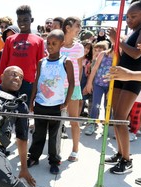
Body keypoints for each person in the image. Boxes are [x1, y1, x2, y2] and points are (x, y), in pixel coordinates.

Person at [105, 0, 141, 174]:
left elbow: (137, 54)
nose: (129, 20)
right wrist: (118, 44)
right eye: (127, 17)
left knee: (122, 118)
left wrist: (117, 41)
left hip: (133, 76)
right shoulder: (133, 32)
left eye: (133, 16)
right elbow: (126, 53)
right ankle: (120, 152)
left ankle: (127, 160)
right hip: (121, 75)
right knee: (116, 117)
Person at [27, 29, 74, 174]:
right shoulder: (42, 62)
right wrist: (32, 100)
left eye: (54, 43)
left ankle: (54, 161)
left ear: (62, 44)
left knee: (54, 136)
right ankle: (34, 156)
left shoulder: (66, 62)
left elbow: (72, 83)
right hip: (41, 103)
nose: (50, 46)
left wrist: (66, 102)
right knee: (38, 133)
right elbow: (36, 82)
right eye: (48, 43)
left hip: (56, 106)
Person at [0, 5, 45, 106]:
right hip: (9, 81)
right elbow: (3, 62)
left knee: (23, 113)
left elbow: (41, 66)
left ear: (31, 20)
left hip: (28, 84)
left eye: (25, 20)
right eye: (19, 20)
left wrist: (39, 87)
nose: (22, 23)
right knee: (5, 111)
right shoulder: (10, 40)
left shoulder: (39, 41)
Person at [60, 16, 84, 162]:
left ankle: (75, 150)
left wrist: (77, 85)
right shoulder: (57, 44)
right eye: (77, 25)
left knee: (74, 120)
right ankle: (54, 150)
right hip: (57, 87)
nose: (79, 29)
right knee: (56, 121)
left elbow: (80, 67)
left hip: (72, 88)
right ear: (68, 27)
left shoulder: (79, 47)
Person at [83, 42, 113, 136]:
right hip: (98, 84)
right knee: (95, 104)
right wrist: (89, 83)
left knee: (108, 106)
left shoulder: (119, 57)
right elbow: (95, 69)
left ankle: (106, 126)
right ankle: (92, 123)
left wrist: (113, 89)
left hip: (110, 85)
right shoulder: (103, 54)